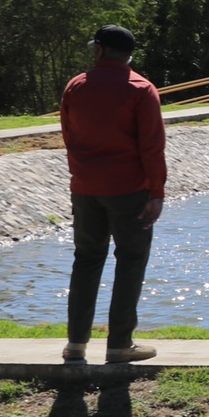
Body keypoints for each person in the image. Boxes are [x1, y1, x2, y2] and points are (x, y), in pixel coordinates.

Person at [59, 24, 166, 364]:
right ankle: (120, 344)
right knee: (130, 262)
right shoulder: (141, 89)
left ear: (99, 50)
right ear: (129, 54)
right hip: (129, 191)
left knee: (86, 261)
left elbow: (68, 136)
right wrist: (157, 192)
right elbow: (152, 147)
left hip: (85, 189)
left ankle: (75, 345)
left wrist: (81, 176)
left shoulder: (76, 86)